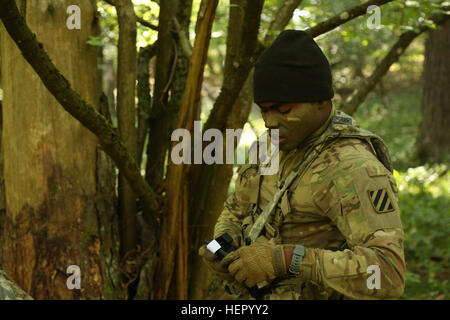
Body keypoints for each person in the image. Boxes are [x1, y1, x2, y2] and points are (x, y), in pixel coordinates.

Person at [199, 30, 405, 300]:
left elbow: (388, 274)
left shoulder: (352, 167)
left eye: (284, 111)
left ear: (322, 101)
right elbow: (237, 208)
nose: (271, 122)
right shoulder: (269, 145)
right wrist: (224, 242)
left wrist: (285, 260)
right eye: (264, 110)